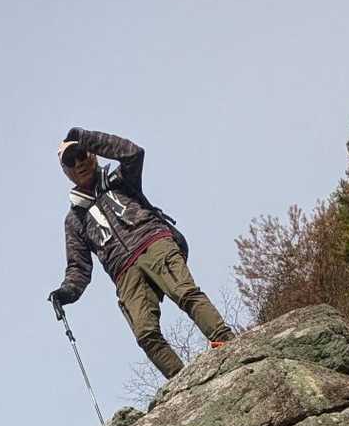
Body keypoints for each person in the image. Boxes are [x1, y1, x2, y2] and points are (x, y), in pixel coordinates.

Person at [49, 126, 233, 380]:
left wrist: (85, 138)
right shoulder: (74, 220)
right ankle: (184, 382)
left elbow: (133, 153)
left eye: (82, 154)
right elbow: (79, 267)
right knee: (145, 334)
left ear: (93, 154)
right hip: (123, 272)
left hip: (153, 242)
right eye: (71, 160)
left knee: (186, 293)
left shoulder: (120, 179)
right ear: (65, 171)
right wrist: (66, 292)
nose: (79, 162)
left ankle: (227, 345)